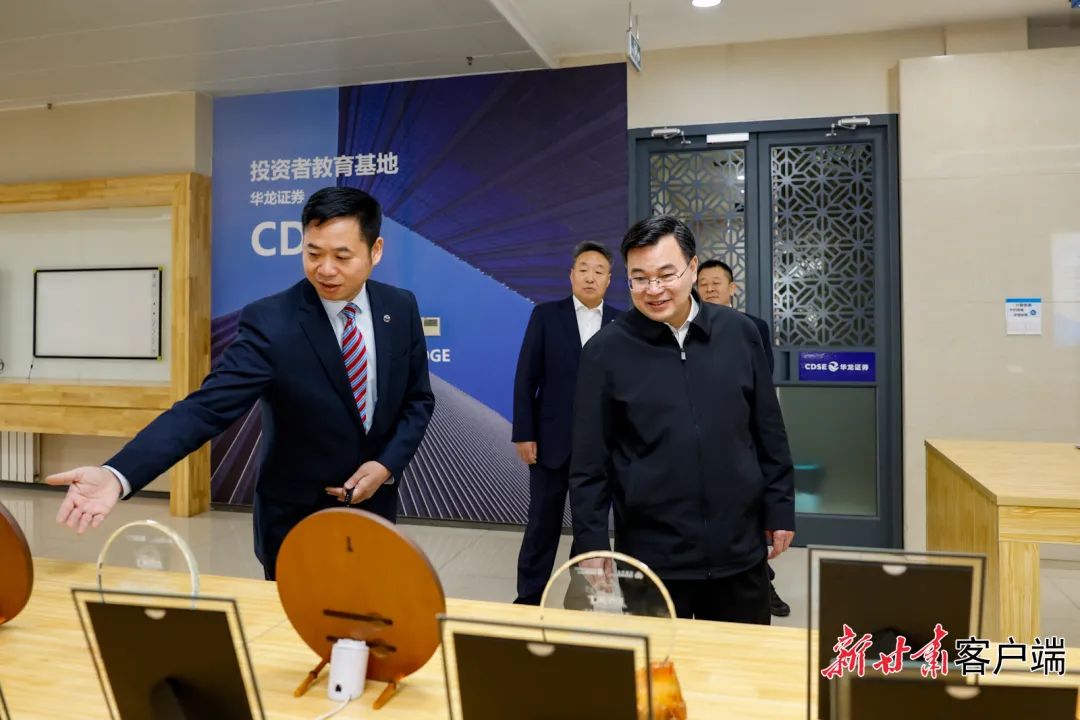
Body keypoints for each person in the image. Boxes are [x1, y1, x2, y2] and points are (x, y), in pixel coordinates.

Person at [46, 187, 435, 579]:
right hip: (297, 517)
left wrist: (386, 465)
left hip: (376, 510)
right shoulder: (271, 322)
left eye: (342, 256)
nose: (325, 269)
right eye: (313, 253)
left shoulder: (399, 308)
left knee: (371, 610)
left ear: (375, 250)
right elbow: (206, 408)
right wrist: (117, 474)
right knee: (288, 619)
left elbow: (418, 401)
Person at [569, 215, 795, 623]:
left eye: (665, 275)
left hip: (738, 550)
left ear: (692, 268)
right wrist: (592, 540)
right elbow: (589, 460)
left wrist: (779, 507)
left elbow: (768, 430)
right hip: (651, 556)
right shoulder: (605, 352)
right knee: (659, 664)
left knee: (736, 660)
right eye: (639, 278)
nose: (653, 289)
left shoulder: (740, 334)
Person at [511, 241, 621, 605]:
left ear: (609, 280)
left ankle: (580, 601)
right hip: (551, 442)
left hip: (603, 446)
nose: (590, 277)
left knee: (590, 528)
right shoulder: (546, 315)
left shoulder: (622, 322)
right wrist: (524, 433)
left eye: (599, 271)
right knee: (542, 524)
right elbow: (526, 378)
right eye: (584, 269)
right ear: (571, 275)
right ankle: (529, 598)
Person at [696, 258, 791, 618]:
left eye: (716, 282)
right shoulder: (686, 327)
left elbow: (762, 381)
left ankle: (763, 582)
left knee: (749, 511)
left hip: (745, 431)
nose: (710, 288)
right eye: (703, 283)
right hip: (706, 432)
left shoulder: (753, 327)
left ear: (732, 288)